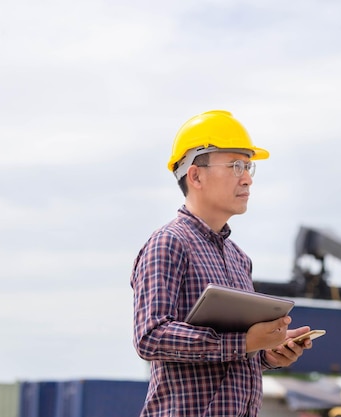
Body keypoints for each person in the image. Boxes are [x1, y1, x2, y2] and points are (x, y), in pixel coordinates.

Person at [130, 110, 312, 417]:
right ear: (196, 175)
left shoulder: (239, 259)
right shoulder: (169, 243)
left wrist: (266, 351)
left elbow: (229, 357)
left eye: (249, 166)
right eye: (236, 166)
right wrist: (243, 342)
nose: (247, 178)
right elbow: (151, 337)